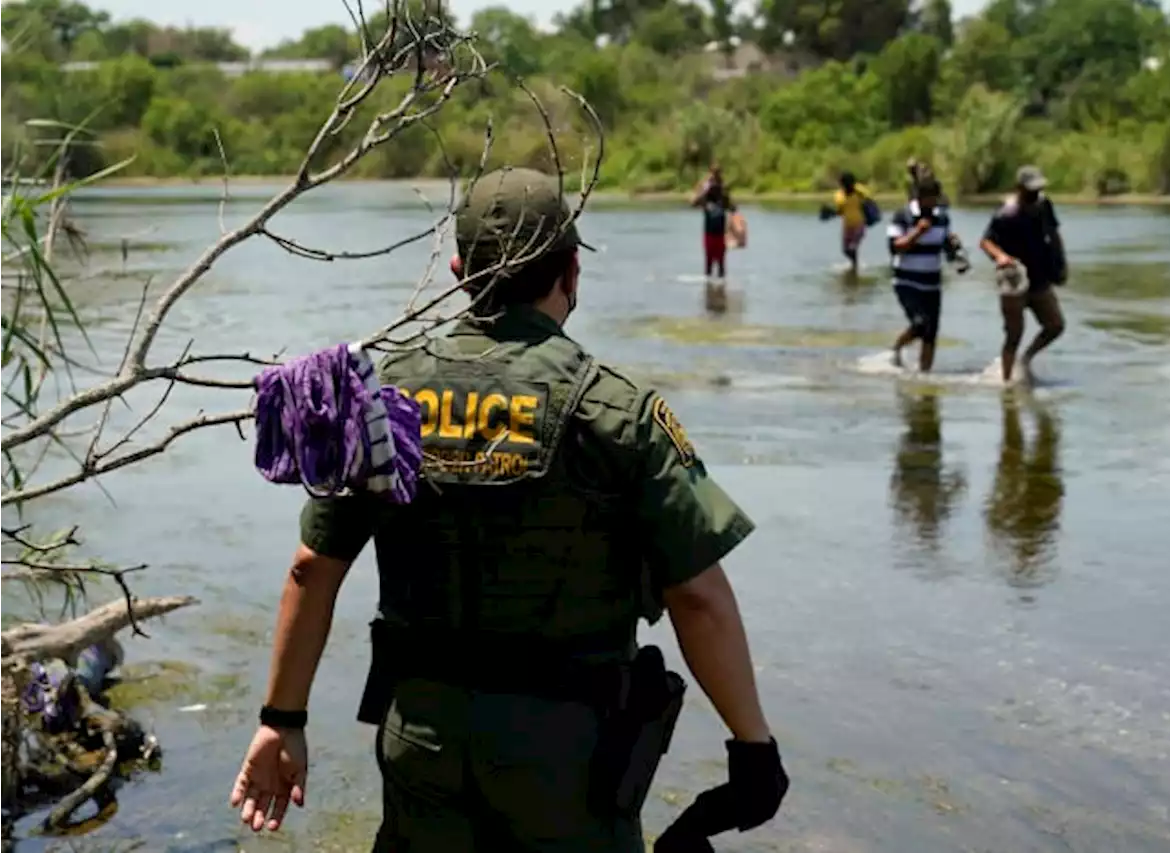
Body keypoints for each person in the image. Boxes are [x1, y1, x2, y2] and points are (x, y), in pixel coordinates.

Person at [228, 166, 788, 852]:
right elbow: (698, 596)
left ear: (461, 272)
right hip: (570, 760)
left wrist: (280, 718)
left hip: (422, 740)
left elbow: (312, 568)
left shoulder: (383, 397)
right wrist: (752, 744)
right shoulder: (618, 411)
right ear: (572, 273)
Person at [979, 165, 1068, 384]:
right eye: (1030, 190)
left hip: (1040, 276)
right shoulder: (1005, 214)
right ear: (1019, 188)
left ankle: (1026, 358)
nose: (1035, 194)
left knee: (1055, 325)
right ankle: (1007, 384)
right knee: (1014, 335)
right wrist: (1000, 256)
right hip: (1014, 279)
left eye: (1038, 189)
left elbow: (1054, 234)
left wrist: (1061, 264)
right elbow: (985, 242)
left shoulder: (1044, 205)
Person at [886, 175, 953, 372]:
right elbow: (894, 247)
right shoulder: (903, 216)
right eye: (928, 199)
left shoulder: (942, 218)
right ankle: (897, 347)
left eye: (935, 199)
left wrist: (953, 248)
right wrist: (917, 232)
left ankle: (925, 375)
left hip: (932, 283)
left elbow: (946, 247)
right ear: (919, 197)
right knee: (919, 324)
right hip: (907, 281)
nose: (932, 204)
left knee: (931, 333)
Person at [819, 171, 875, 275]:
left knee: (852, 247)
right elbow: (840, 212)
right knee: (845, 250)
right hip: (847, 226)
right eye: (847, 184)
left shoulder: (859, 192)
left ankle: (855, 267)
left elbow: (869, 200)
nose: (850, 186)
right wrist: (831, 212)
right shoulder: (839, 196)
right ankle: (855, 266)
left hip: (859, 225)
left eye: (851, 184)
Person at [692, 168, 736, 281]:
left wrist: (727, 193)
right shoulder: (706, 199)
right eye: (713, 181)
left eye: (717, 181)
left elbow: (733, 208)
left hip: (720, 235)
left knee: (721, 265)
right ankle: (710, 291)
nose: (715, 185)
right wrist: (704, 189)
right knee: (709, 264)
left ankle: (720, 288)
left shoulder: (723, 198)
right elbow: (693, 203)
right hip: (709, 234)